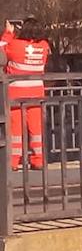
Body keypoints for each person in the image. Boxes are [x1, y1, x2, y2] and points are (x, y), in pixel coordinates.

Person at [2, 16, 51, 171]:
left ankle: (13, 161)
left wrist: (8, 33)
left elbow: (1, 50)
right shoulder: (44, 46)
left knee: (15, 129)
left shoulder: (14, 44)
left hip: (16, 92)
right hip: (37, 92)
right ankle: (38, 160)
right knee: (36, 129)